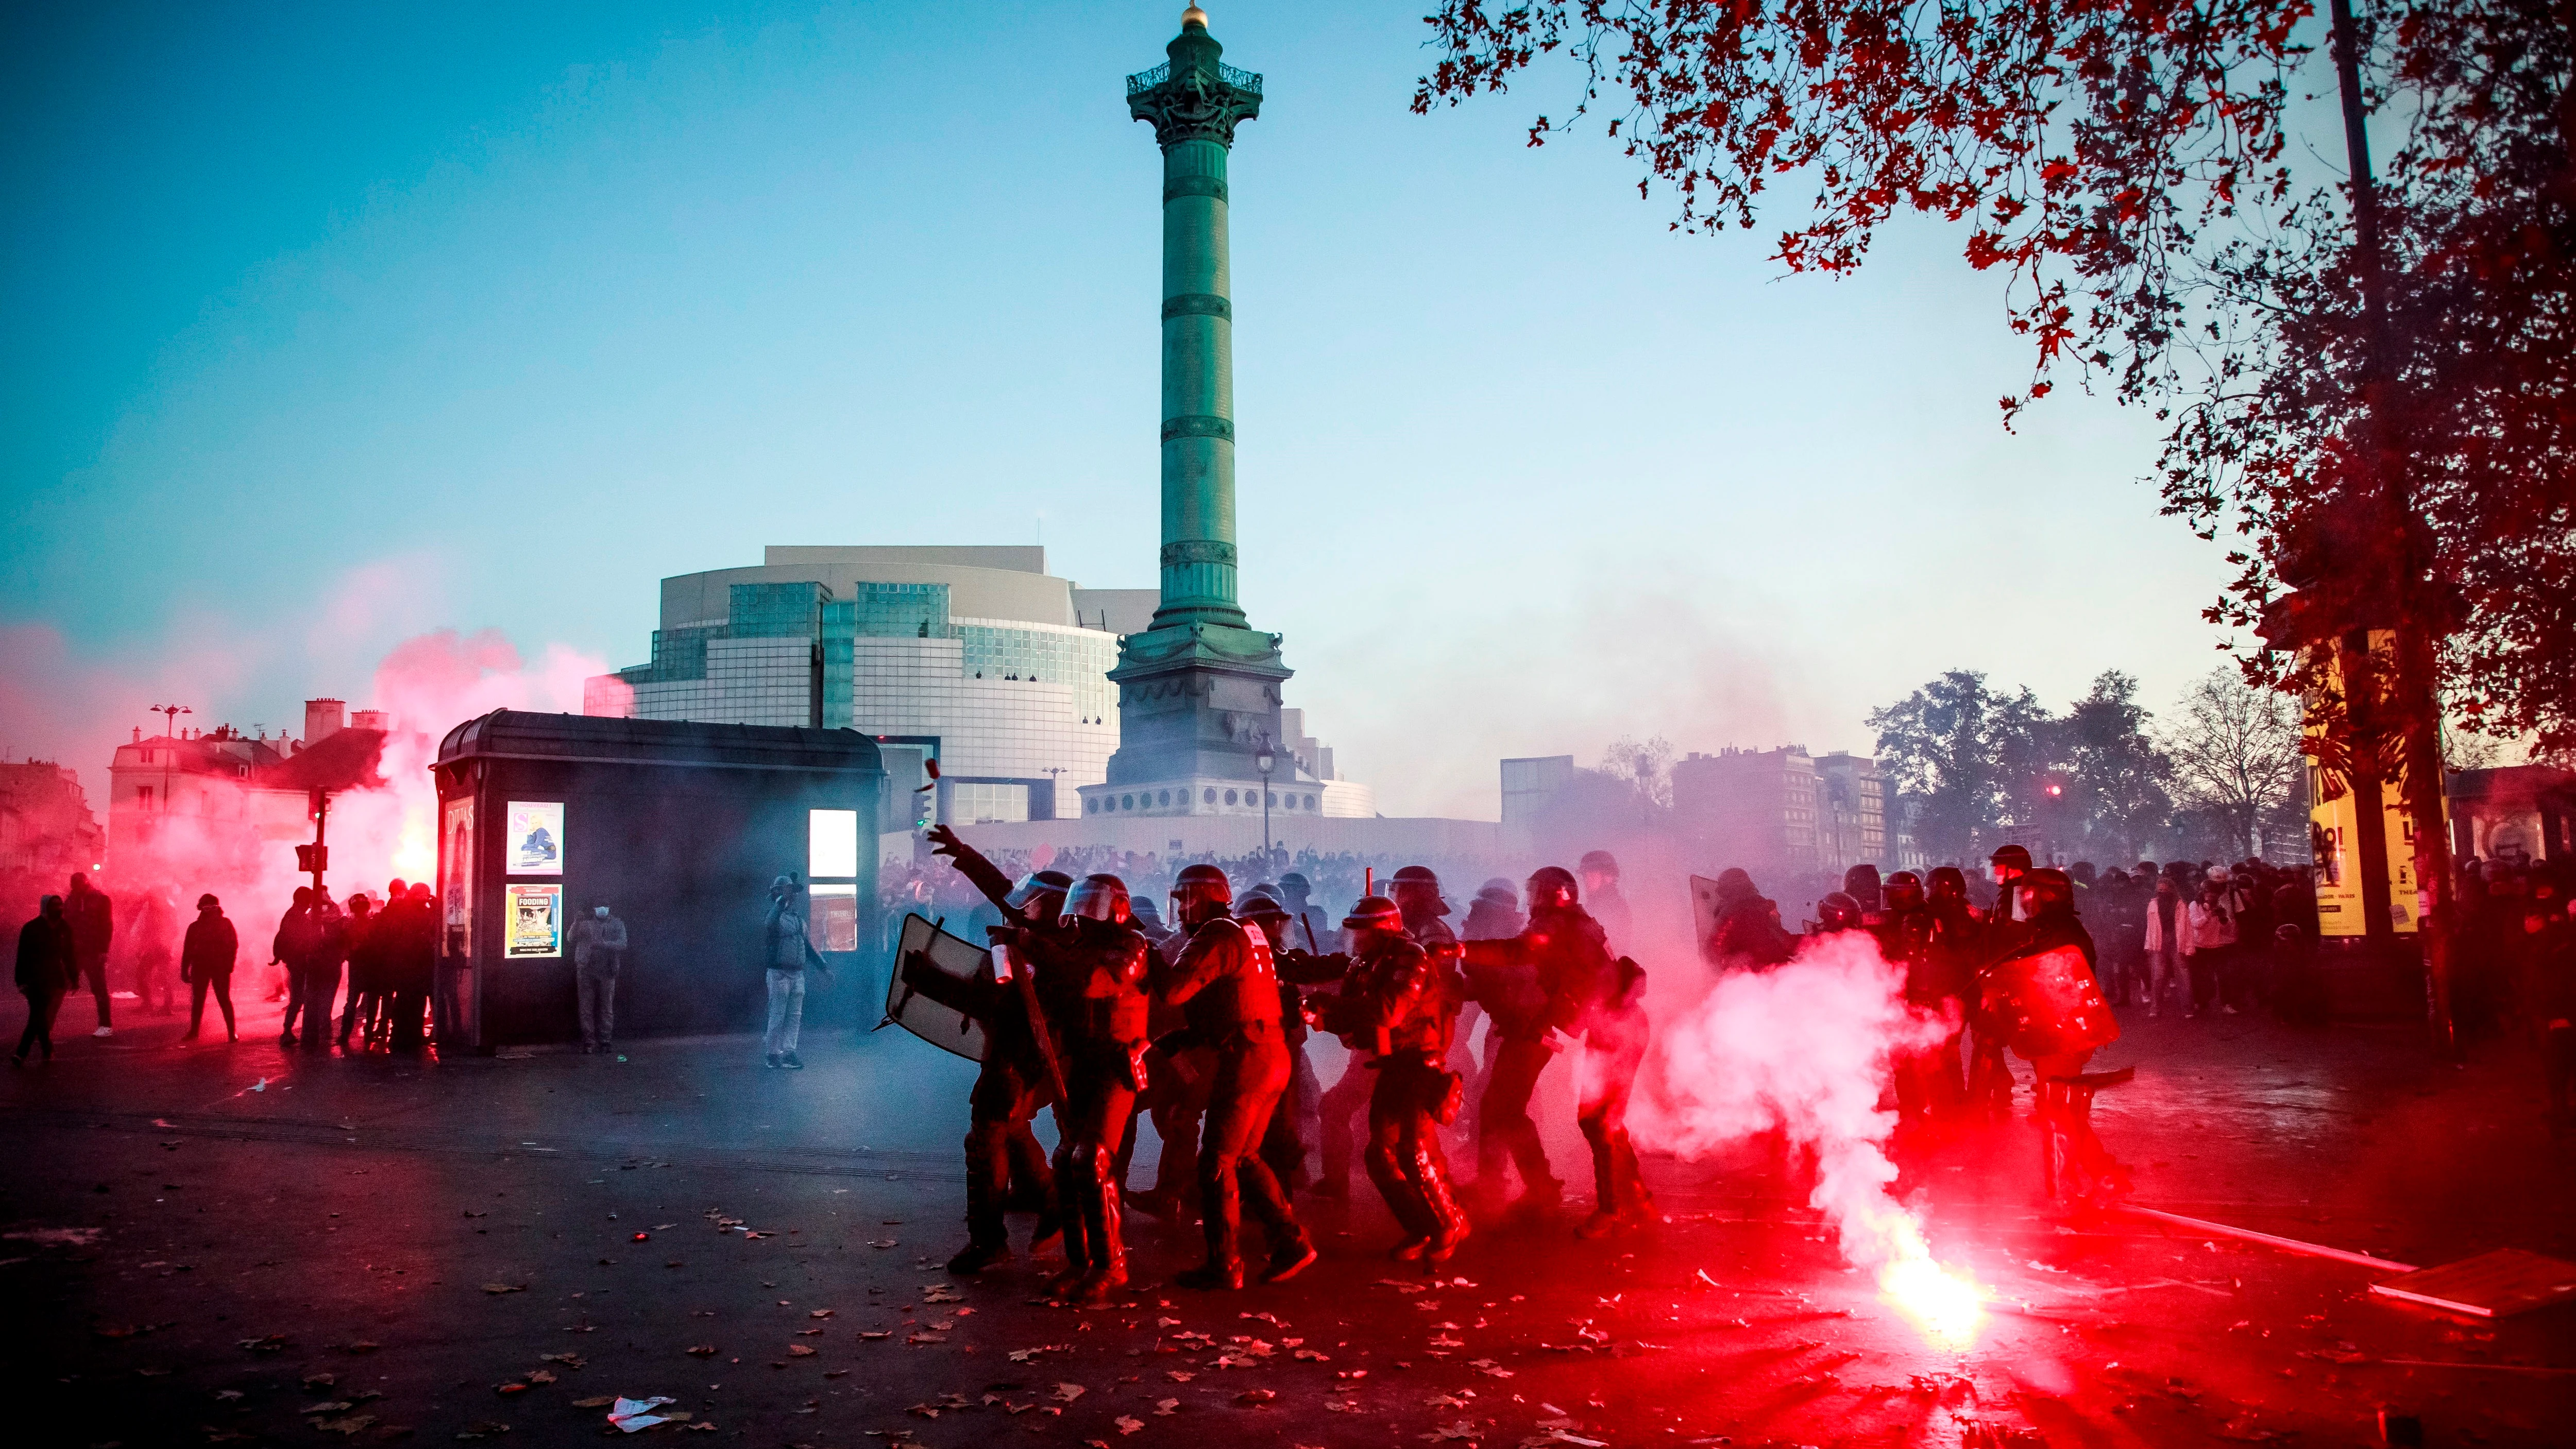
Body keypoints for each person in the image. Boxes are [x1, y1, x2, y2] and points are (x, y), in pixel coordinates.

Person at [1157, 866, 1316, 1289]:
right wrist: (1189, 1035)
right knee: (1243, 1156)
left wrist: (1144, 959)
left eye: (1186, 899)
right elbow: (1237, 998)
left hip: (1248, 1058)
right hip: (1269, 1052)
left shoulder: (1217, 933)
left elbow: (1174, 990)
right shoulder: (1247, 932)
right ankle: (1291, 1241)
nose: (1181, 908)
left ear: (1206, 897)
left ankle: (1224, 1264)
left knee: (1216, 1160)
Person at [921, 824, 1069, 1276]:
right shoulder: (1032, 929)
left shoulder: (1052, 951)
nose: (1018, 906)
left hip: (1017, 1058)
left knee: (985, 1141)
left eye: (1033, 901)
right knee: (1016, 1129)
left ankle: (989, 1242)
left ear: (1053, 908)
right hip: (1012, 1054)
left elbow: (1002, 1006)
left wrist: (935, 982)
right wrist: (963, 853)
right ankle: (1051, 1201)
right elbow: (1004, 888)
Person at [1311, 895, 1469, 1266]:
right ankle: (1420, 1226)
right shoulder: (1366, 963)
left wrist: (1331, 1007)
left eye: (1363, 931)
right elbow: (1357, 1021)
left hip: (1421, 1063)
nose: (1357, 939)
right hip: (1392, 1065)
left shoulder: (1411, 957)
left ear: (1382, 931)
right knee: (1379, 1154)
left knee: (1413, 1152)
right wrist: (1323, 1015)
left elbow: (1388, 1010)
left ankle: (1449, 1224)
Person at [1033, 872, 1154, 1303]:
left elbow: (1098, 981)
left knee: (1092, 1159)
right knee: (1066, 1160)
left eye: (1092, 906)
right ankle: (1080, 1261)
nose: (1083, 916)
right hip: (1084, 1063)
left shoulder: (1132, 946)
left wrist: (1038, 949)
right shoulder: (1080, 947)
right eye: (1079, 906)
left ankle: (1111, 1266)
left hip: (1117, 1066)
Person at [1978, 868, 2127, 1208]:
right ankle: (2104, 1175)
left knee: (2057, 1112)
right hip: (2054, 1035)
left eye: (2029, 895)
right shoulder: (2051, 930)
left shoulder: (2060, 935)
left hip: (2063, 1035)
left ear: (2046, 896)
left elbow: (2049, 983)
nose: (2025, 902)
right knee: (2062, 1110)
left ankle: (2062, 1190)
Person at [1574, 954, 1654, 1237]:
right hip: (1599, 1074)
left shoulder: (1632, 1018)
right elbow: (1579, 1027)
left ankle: (1609, 1210)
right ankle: (1637, 1195)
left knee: (1603, 1131)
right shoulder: (1608, 1002)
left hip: (1613, 1079)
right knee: (1606, 1130)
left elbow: (1627, 1066)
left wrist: (1618, 1103)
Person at [761, 877, 827, 1068]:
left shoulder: (798, 920)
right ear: (776, 893)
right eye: (786, 891)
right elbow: (770, 923)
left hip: (797, 974)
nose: (792, 896)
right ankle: (773, 1054)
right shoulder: (773, 916)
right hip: (779, 974)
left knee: (794, 1016)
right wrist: (782, 899)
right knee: (778, 1015)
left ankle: (789, 1052)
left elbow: (808, 947)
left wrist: (823, 967)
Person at [13, 895, 76, 1065]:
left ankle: (31, 1052)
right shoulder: (31, 928)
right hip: (34, 978)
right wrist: (20, 980)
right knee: (39, 1015)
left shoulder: (64, 928)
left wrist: (74, 977)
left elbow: (69, 954)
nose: (59, 910)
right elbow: (23, 956)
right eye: (54, 906)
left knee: (38, 1015)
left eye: (60, 906)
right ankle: (35, 1051)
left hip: (54, 978)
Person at [180, 893, 241, 1043]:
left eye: (209, 907)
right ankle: (195, 1032)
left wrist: (229, 966)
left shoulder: (225, 924)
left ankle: (231, 1033)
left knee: (223, 999)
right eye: (204, 907)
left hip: (219, 968)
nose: (206, 910)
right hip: (201, 967)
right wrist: (184, 969)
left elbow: (233, 946)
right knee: (198, 1000)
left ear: (216, 908)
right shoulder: (195, 927)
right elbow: (187, 950)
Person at [569, 903, 629, 1054]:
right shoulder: (584, 923)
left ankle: (605, 1041)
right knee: (586, 1008)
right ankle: (589, 1042)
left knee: (607, 1008)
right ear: (593, 909)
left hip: (608, 971)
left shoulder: (617, 923)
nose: (602, 909)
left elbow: (623, 944)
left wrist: (604, 945)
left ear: (610, 908)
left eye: (605, 905)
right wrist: (576, 922)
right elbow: (571, 938)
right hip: (586, 969)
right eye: (599, 906)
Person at [2182, 872, 2239, 1017]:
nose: (2211, 897)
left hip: (2217, 945)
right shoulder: (2195, 905)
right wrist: (2209, 915)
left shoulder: (2221, 906)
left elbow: (2227, 930)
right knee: (2199, 977)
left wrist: (2223, 919)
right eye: (2208, 893)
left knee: (2223, 976)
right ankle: (2200, 1002)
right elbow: (2195, 924)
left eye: (2214, 894)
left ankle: (2226, 1004)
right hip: (2200, 946)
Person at [65, 872, 114, 1038]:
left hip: (93, 950)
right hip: (74, 950)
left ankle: (105, 1025)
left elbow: (107, 926)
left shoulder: (101, 900)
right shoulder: (71, 899)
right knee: (59, 986)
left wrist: (103, 950)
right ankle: (44, 1025)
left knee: (99, 988)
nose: (76, 888)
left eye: (78, 884)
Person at [336, 894, 380, 1052]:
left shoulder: (348, 924)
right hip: (373, 968)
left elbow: (343, 945)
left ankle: (345, 1035)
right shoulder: (374, 922)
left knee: (352, 1003)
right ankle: (368, 1034)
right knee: (372, 1003)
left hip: (358, 969)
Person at [132, 889, 178, 1017]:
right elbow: (146, 930)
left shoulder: (167, 910)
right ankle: (148, 1004)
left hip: (162, 948)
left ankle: (167, 1007)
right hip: (152, 948)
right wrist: (143, 947)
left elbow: (174, 930)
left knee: (163, 977)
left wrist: (168, 946)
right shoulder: (150, 910)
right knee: (141, 974)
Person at [1580, 850, 1632, 956]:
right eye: (1585, 875)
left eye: (1592, 874)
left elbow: (1612, 949)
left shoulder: (1615, 907)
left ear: (1608, 877)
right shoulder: (1593, 905)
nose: (1587, 879)